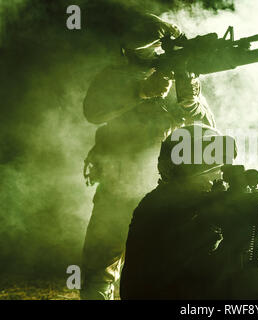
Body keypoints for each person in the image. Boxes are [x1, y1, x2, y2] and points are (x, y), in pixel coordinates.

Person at [81, 14, 215, 300]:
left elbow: (207, 127)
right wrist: (139, 91)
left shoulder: (180, 72)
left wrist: (190, 102)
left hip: (163, 186)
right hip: (119, 179)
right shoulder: (113, 75)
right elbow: (93, 111)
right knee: (99, 271)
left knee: (157, 270)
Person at [120, 124, 258, 299]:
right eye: (205, 172)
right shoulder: (157, 209)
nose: (217, 180)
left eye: (220, 171)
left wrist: (250, 234)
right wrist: (223, 230)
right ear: (172, 179)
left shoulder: (251, 211)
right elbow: (187, 286)